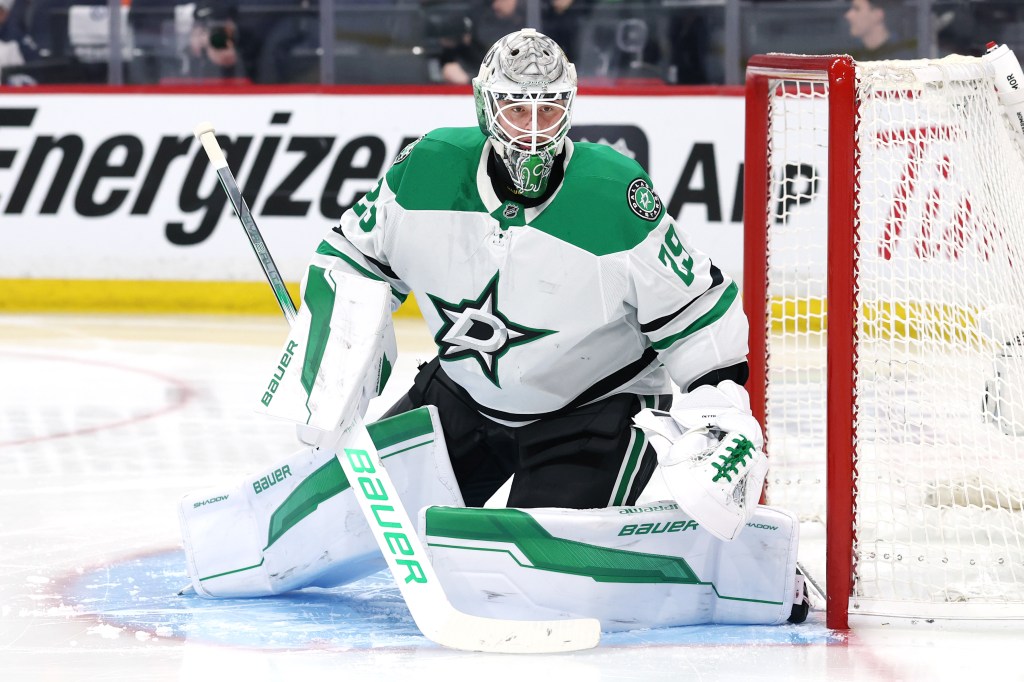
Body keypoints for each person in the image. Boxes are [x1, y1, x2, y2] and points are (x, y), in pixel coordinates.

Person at [178, 28, 807, 630]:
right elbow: (354, 257)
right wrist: (337, 373)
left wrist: (720, 408)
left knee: (524, 581)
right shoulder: (425, 170)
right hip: (457, 399)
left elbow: (698, 311)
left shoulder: (616, 198)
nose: (533, 132)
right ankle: (224, 541)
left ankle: (749, 571)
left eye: (547, 110)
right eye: (515, 111)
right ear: (485, 107)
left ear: (569, 107)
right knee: (320, 516)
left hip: (588, 415)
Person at [844, 0, 918, 61]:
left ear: (877, 15)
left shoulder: (901, 60)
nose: (848, 15)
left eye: (857, 9)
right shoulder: (856, 57)